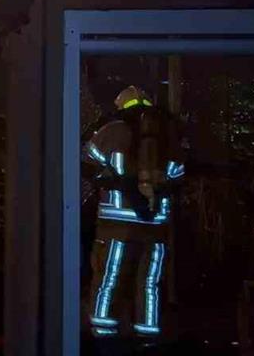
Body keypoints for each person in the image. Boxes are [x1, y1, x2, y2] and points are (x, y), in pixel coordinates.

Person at [83, 86, 186, 342]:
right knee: (149, 286)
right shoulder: (167, 135)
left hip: (116, 226)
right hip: (155, 227)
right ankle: (147, 337)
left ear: (121, 105)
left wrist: (109, 181)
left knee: (109, 281)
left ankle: (103, 334)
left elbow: (86, 161)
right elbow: (177, 176)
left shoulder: (112, 131)